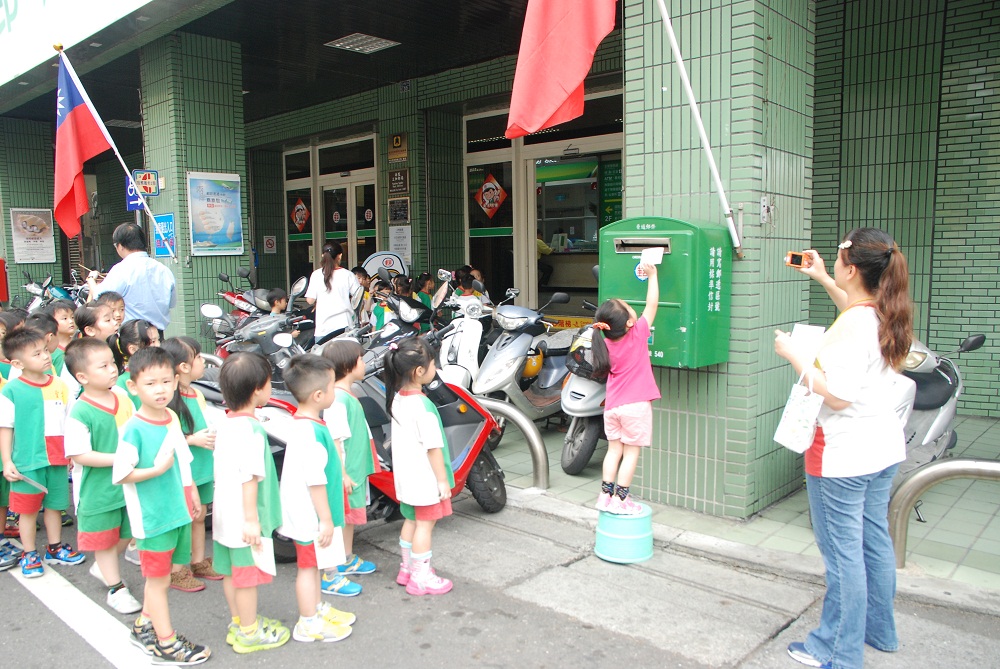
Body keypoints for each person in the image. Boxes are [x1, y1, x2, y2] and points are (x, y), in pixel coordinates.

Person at [774, 229, 911, 669]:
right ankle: (878, 632)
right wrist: (821, 278)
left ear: (851, 268)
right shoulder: (883, 311)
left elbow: (837, 396)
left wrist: (794, 354)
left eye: (836, 259)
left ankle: (836, 650)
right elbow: (853, 313)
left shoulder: (858, 322)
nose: (832, 263)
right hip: (881, 450)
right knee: (873, 543)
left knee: (843, 556)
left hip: (841, 456)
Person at [111, 347, 209, 664]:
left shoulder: (171, 418)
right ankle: (165, 643)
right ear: (133, 386)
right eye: (151, 383)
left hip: (177, 512)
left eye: (166, 381)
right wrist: (155, 471)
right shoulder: (133, 429)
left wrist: (191, 491)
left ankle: (143, 627)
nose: (160, 389)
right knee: (158, 579)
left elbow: (182, 459)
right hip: (152, 519)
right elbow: (122, 473)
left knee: (164, 576)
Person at [212, 352, 290, 654]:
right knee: (246, 577)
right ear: (258, 389)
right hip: (243, 517)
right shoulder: (252, 430)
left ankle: (239, 622)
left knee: (232, 573)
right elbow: (249, 477)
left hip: (224, 514)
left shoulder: (228, 423)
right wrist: (251, 519)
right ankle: (249, 631)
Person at [278, 355, 355, 642]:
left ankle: (316, 608)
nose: (336, 391)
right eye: (333, 386)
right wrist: (325, 520)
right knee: (308, 569)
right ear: (319, 395)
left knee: (314, 566)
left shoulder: (308, 424)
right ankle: (307, 622)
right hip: (310, 517)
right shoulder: (309, 432)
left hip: (313, 515)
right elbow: (315, 480)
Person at [63, 338, 142, 614]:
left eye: (112, 363)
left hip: (126, 484)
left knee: (126, 534)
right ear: (82, 377)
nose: (113, 369)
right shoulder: (80, 411)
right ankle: (116, 588)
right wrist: (120, 459)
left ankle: (105, 568)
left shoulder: (121, 398)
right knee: (105, 540)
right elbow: (79, 455)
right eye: (104, 366)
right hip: (98, 490)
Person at [0, 326, 84, 578]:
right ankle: (29, 553)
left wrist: (71, 452)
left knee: (55, 507)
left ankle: (55, 547)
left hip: (57, 459)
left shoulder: (60, 385)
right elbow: (6, 427)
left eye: (45, 351)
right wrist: (7, 461)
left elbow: (70, 420)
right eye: (36, 354)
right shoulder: (12, 390)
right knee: (27, 511)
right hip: (27, 462)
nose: (46, 356)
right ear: (16, 362)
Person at [383, 338, 454, 596]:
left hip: (405, 477)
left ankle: (407, 568)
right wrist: (442, 480)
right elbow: (433, 448)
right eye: (433, 362)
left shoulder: (397, 399)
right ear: (419, 371)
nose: (435, 366)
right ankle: (421, 577)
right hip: (424, 479)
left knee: (411, 520)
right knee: (425, 525)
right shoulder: (423, 406)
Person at [591, 262, 661, 516]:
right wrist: (653, 275)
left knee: (613, 451)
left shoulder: (603, 343)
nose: (636, 311)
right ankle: (622, 499)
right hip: (635, 406)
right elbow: (652, 305)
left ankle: (604, 495)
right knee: (630, 454)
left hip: (613, 407)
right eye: (632, 310)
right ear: (630, 323)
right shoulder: (638, 333)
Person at [162, 337, 221, 592]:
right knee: (185, 518)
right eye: (197, 357)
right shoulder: (169, 400)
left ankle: (198, 561)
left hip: (203, 465)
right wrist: (193, 439)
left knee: (200, 515)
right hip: (186, 469)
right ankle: (177, 569)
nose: (202, 361)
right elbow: (166, 437)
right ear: (184, 367)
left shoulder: (195, 392)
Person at [321, 340, 380, 579]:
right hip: (347, 470)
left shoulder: (346, 394)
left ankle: (345, 556)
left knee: (350, 515)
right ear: (349, 365)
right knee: (343, 516)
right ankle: (339, 561)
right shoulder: (338, 399)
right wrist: (342, 473)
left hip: (354, 468)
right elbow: (335, 439)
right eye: (361, 359)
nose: (364, 363)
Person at [88, 223, 176, 334]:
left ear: (120, 246)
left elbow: (100, 297)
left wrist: (91, 280)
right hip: (157, 336)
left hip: (131, 336)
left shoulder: (121, 269)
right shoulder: (164, 270)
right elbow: (171, 303)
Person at [305, 242, 361, 345]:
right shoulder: (348, 275)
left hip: (323, 328)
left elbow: (310, 300)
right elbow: (358, 297)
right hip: (344, 326)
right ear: (340, 256)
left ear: (323, 255)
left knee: (324, 359)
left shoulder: (316, 275)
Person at [111, 319, 161, 409]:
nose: (158, 345)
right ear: (133, 349)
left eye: (158, 340)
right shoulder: (121, 383)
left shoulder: (162, 373)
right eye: (152, 342)